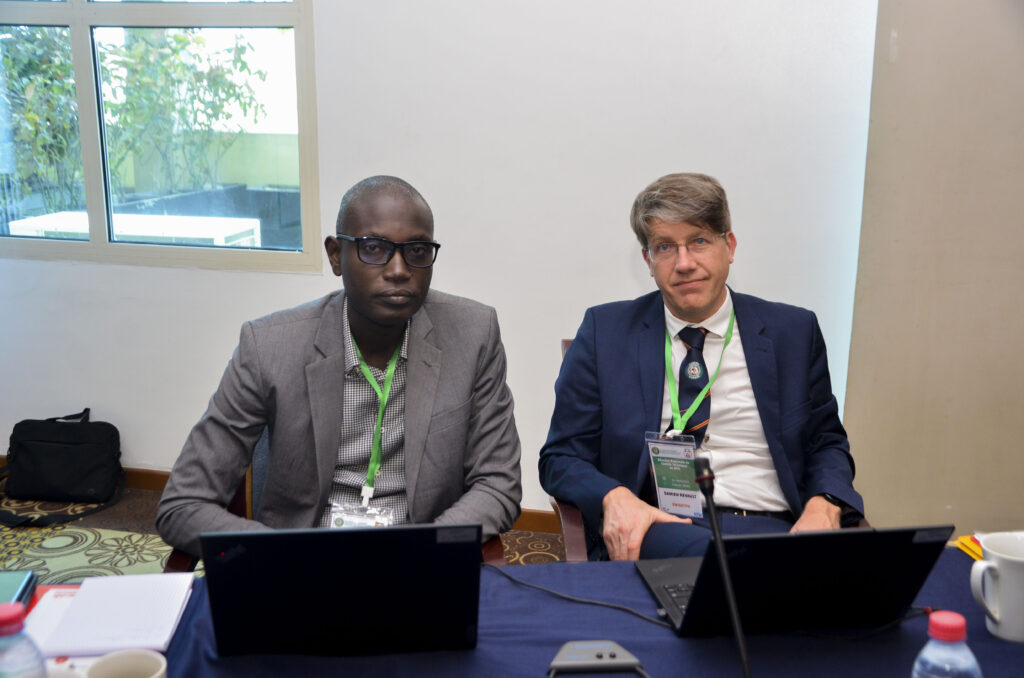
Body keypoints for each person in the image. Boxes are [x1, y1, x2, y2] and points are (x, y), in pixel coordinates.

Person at [157, 176, 522, 557]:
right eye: (374, 248)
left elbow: (497, 483)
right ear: (336, 255)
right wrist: (284, 558)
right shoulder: (269, 346)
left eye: (416, 251)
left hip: (422, 559)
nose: (399, 270)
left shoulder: (473, 335)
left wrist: (424, 550)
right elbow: (183, 505)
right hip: (299, 565)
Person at [539, 172, 863, 561]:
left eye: (699, 241)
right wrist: (614, 496)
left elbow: (826, 441)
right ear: (647, 260)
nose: (684, 263)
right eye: (665, 247)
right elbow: (561, 458)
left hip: (774, 527)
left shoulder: (792, 332)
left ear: (730, 246)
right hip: (662, 529)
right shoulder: (605, 333)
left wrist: (825, 503)